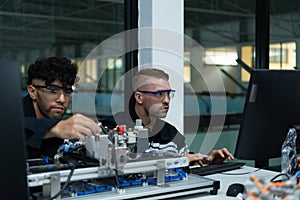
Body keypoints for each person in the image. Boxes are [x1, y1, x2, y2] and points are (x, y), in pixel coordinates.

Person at [104, 68, 234, 165]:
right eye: (159, 94)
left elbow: (186, 157)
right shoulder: (113, 127)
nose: (166, 100)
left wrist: (207, 159)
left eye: (168, 94)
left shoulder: (170, 132)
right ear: (139, 97)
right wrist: (177, 160)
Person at [24, 56, 102, 159]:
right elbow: (10, 129)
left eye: (67, 92)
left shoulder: (54, 120)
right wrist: (56, 128)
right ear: (32, 92)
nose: (62, 99)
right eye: (53, 90)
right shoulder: (9, 114)